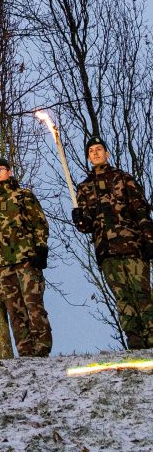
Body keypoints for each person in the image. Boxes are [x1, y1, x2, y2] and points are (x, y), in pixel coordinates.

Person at [73, 135, 153, 349]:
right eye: (92, 151)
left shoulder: (123, 178)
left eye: (99, 149)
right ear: (89, 157)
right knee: (123, 297)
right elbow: (86, 226)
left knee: (142, 294)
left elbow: (140, 209)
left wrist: (149, 238)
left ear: (107, 153)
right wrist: (79, 219)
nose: (96, 153)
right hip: (107, 251)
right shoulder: (84, 188)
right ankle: (135, 342)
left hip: (132, 246)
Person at [0, 156, 52, 357]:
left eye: (0, 169)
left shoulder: (23, 196)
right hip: (3, 263)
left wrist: (41, 248)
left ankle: (42, 348)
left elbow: (39, 223)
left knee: (33, 304)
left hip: (26, 258)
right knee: (14, 311)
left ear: (9, 172)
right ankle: (25, 351)